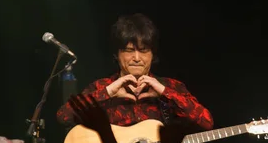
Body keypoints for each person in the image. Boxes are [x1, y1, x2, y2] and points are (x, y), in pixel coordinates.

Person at [56, 13, 213, 130]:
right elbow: (64, 116)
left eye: (143, 51)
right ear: (117, 55)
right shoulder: (101, 87)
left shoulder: (172, 86)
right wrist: (108, 92)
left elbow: (206, 123)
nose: (136, 58)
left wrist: (164, 92)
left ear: (153, 55)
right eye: (129, 50)